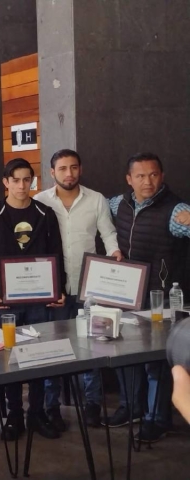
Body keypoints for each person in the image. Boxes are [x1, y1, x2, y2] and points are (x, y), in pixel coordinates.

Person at [34, 149, 121, 429]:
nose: (68, 173)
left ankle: (93, 404)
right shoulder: (40, 201)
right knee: (53, 348)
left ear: (80, 169)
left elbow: (108, 234)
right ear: (52, 172)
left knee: (92, 346)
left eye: (73, 167)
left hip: (89, 286)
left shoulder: (96, 199)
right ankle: (52, 406)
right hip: (55, 289)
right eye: (62, 168)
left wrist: (115, 253)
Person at [106, 152, 190, 443]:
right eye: (140, 176)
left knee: (156, 363)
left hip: (162, 299)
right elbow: (89, 209)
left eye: (153, 174)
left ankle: (158, 419)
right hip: (126, 296)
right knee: (126, 355)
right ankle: (132, 408)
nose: (148, 181)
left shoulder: (177, 209)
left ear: (162, 176)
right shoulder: (118, 204)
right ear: (129, 180)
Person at [0, 158, 66, 441]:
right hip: (7, 299)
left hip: (39, 298)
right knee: (10, 357)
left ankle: (36, 413)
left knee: (37, 356)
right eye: (15, 180)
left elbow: (56, 252)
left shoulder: (45, 213)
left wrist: (59, 288)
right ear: (5, 182)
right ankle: (14, 414)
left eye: (26, 180)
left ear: (33, 181)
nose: (21, 185)